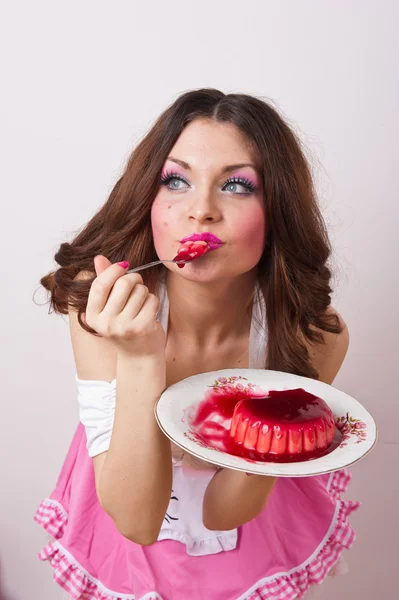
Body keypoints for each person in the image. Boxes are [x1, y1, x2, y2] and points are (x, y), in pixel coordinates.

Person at [34, 88, 359, 600]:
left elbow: (225, 510)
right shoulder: (98, 307)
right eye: (176, 181)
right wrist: (142, 358)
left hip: (251, 527)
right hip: (123, 489)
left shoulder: (312, 334)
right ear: (148, 199)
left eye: (236, 185)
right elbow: (137, 522)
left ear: (278, 212)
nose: (201, 210)